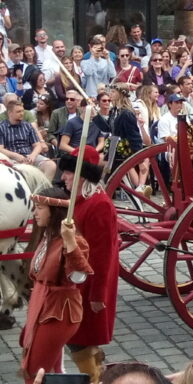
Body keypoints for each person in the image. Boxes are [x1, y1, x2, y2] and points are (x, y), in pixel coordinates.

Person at [57, 146, 118, 382]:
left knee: (77, 336)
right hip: (75, 280)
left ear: (82, 175)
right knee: (77, 336)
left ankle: (94, 377)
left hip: (87, 283)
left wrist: (97, 294)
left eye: (68, 172)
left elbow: (103, 256)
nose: (63, 177)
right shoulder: (78, 201)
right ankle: (97, 371)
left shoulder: (99, 205)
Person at [21, 187, 93, 383]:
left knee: (36, 371)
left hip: (59, 312)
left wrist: (70, 242)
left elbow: (78, 277)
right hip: (42, 306)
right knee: (53, 369)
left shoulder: (74, 241)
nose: (35, 213)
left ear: (54, 211)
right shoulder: (47, 235)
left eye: (39, 208)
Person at [0, 100, 56, 179]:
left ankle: (43, 186)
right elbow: (1, 149)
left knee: (51, 165)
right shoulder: (1, 127)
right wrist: (15, 156)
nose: (22, 113)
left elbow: (37, 145)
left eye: (22, 111)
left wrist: (33, 156)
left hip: (29, 155)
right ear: (10, 113)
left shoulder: (27, 126)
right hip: (11, 158)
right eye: (18, 111)